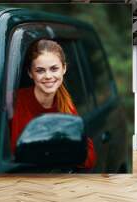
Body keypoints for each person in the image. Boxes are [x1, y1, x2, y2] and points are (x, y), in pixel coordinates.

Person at [10, 39, 96, 169]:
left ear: (64, 69)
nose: (48, 76)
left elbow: (89, 157)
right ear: (30, 73)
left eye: (54, 69)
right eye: (40, 70)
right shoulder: (11, 100)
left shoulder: (65, 105)